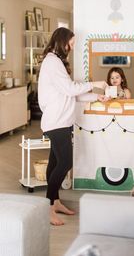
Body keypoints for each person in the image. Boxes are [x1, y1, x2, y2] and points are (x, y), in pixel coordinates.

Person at [38, 27, 108, 226]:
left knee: (54, 163)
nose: (72, 47)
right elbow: (70, 89)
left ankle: (56, 202)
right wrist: (95, 84)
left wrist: (96, 96)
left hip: (61, 121)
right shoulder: (52, 62)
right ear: (62, 41)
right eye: (71, 43)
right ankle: (48, 207)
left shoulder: (56, 62)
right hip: (56, 122)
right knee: (65, 162)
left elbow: (71, 93)